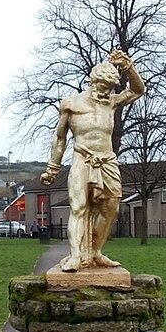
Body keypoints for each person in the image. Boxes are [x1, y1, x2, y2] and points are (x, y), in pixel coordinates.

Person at [40, 49, 145, 271]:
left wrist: (127, 65)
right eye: (104, 88)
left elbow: (138, 89)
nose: (108, 93)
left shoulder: (111, 102)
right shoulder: (71, 104)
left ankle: (96, 252)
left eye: (111, 89)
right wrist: (52, 168)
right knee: (78, 207)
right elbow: (60, 138)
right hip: (82, 159)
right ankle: (76, 256)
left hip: (107, 161)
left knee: (112, 206)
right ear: (93, 82)